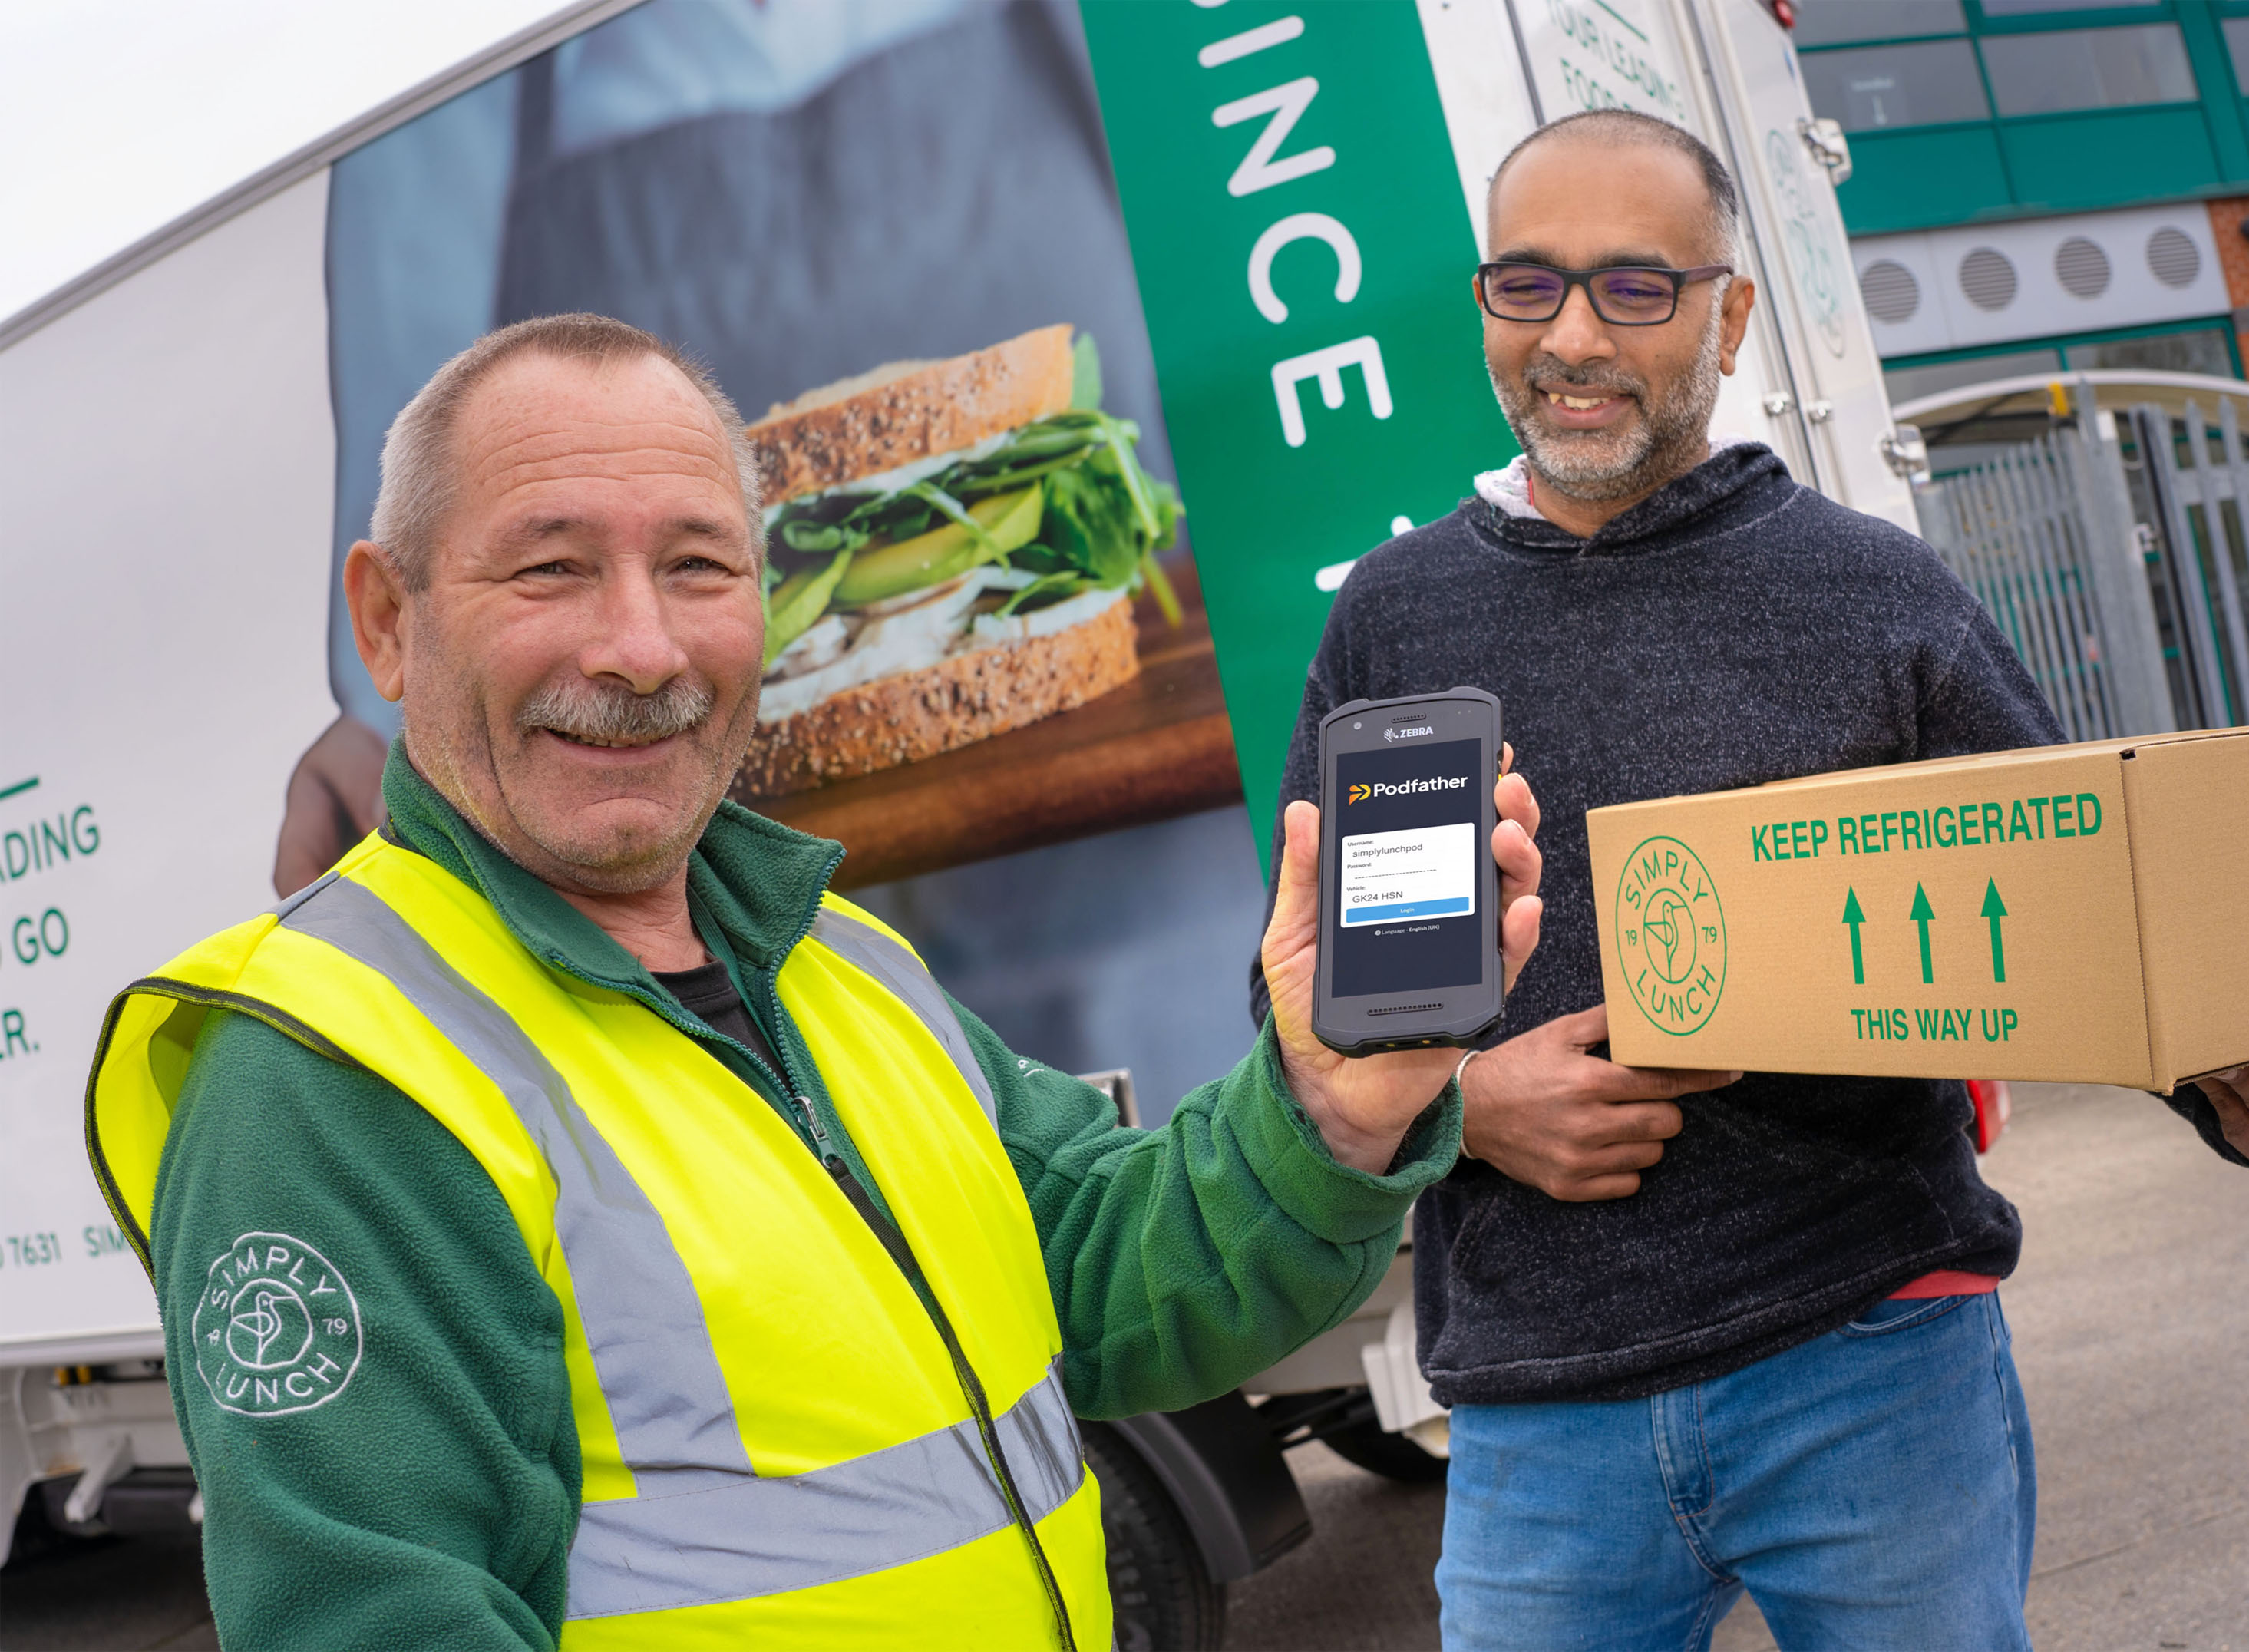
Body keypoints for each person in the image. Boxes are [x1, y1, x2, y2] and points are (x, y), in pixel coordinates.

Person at [86, 313, 1547, 1650]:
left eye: (701, 566)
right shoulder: (329, 1073)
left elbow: (1107, 1285)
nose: (644, 647)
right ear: (388, 623)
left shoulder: (841, 961)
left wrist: (1331, 1110)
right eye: (549, 565)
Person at [1260, 110, 2249, 1650]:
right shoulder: (1393, 621)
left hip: (1868, 1364)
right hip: (1537, 1415)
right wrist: (1465, 1105)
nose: (1566, 337)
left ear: (1728, 313)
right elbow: (1308, 1006)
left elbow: (2100, 921)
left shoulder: (1874, 596)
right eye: (1523, 284)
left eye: (1632, 287)